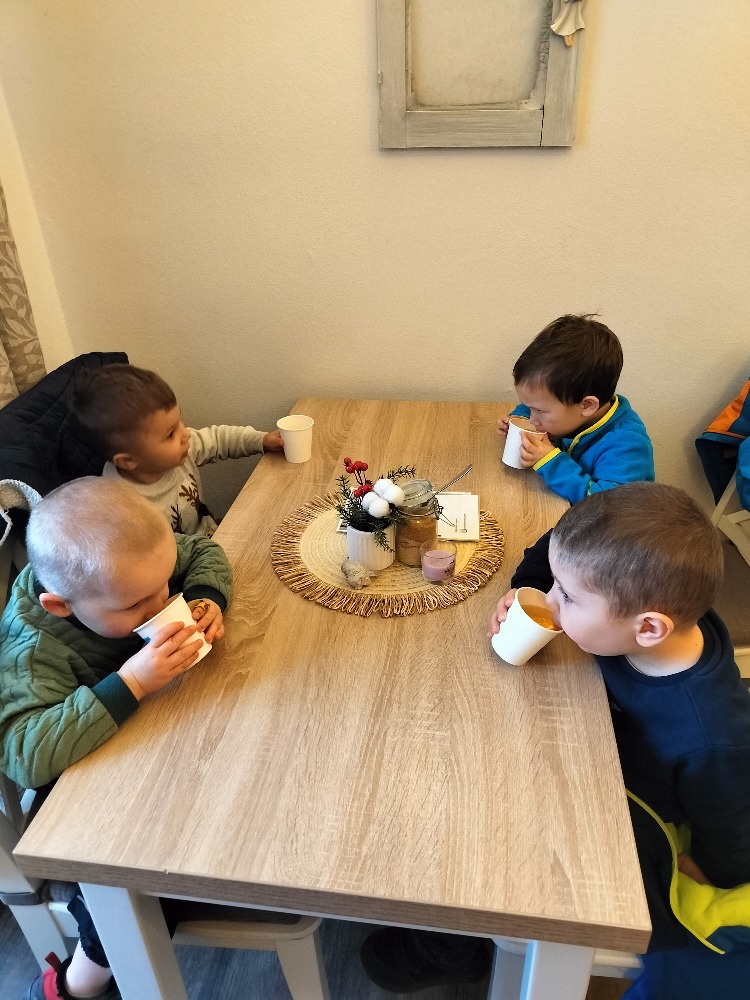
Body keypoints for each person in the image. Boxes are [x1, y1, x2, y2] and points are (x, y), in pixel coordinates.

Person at [488, 482, 750, 1000]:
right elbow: (554, 547)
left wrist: (715, 868)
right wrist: (528, 587)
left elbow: (734, 817)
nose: (552, 604)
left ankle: (445, 947)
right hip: (598, 744)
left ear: (648, 628)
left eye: (567, 597)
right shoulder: (636, 616)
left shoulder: (710, 735)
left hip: (639, 812)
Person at [0, 477, 233, 1000]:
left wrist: (206, 598)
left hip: (152, 745)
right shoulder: (34, 652)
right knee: (142, 879)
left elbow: (204, 553)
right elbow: (24, 755)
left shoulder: (131, 572)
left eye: (164, 584)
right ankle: (76, 981)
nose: (160, 604)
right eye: (136, 606)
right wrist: (131, 682)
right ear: (61, 606)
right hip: (82, 792)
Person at [72, 363, 284, 536]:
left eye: (179, 422)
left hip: (212, 536)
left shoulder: (180, 448)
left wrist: (261, 440)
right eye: (170, 434)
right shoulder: (124, 512)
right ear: (128, 461)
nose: (186, 434)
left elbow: (220, 438)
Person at [497, 314, 654, 503]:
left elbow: (606, 507)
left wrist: (551, 462)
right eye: (530, 408)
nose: (533, 419)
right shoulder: (572, 413)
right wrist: (519, 422)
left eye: (539, 411)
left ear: (587, 405)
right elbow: (531, 406)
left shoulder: (627, 446)